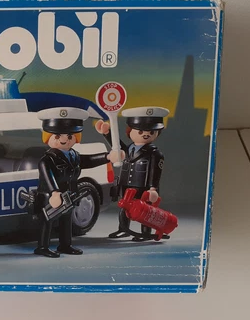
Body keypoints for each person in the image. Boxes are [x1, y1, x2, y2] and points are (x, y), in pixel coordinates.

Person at [34, 107, 123, 258]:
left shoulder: (73, 155)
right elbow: (48, 176)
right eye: (57, 136)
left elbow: (88, 161)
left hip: (68, 195)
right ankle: (42, 247)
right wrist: (54, 193)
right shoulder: (47, 160)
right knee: (47, 220)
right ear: (47, 137)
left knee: (67, 220)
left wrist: (107, 157)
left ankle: (65, 245)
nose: (64, 140)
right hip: (50, 196)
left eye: (70, 136)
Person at [95, 106, 168, 241]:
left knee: (146, 209)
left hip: (144, 187)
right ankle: (123, 229)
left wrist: (153, 189)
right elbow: (118, 147)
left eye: (151, 132)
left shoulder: (155, 153)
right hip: (127, 184)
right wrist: (107, 134)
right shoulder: (129, 149)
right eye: (140, 131)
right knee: (125, 207)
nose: (146, 134)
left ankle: (145, 232)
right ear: (130, 131)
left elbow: (155, 171)